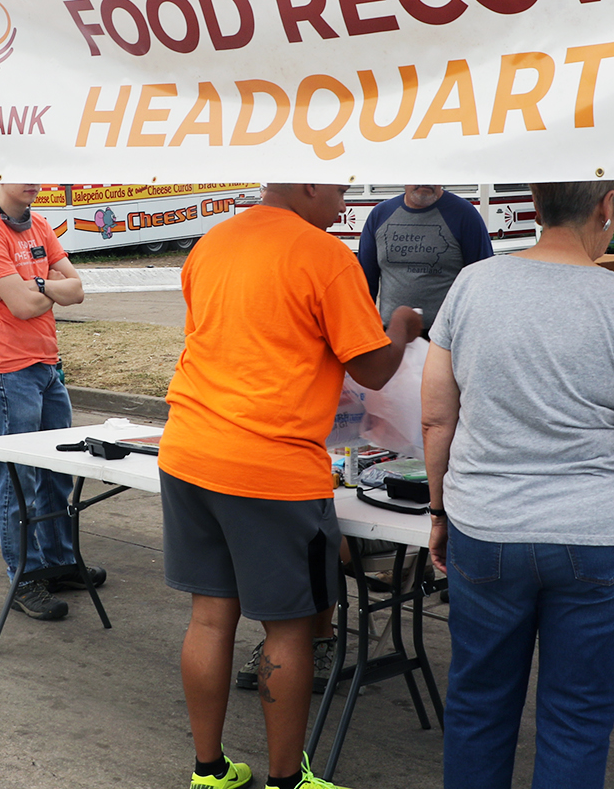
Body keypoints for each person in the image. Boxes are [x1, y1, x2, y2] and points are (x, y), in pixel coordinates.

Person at [158, 183, 422, 789]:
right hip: (272, 470)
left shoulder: (212, 242)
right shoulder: (326, 256)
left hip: (190, 451)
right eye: (340, 185)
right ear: (307, 184)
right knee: (290, 628)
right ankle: (286, 780)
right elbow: (372, 365)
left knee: (209, 618)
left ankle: (209, 770)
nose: (347, 195)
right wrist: (401, 329)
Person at [423, 179, 614, 789]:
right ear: (606, 209)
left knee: (479, 706)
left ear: (535, 208)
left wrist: (439, 512)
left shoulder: (472, 285)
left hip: (485, 528)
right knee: (577, 718)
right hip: (595, 538)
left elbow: (436, 417)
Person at [0, 182, 100, 622]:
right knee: (18, 479)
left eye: (38, 174)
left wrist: (36, 282)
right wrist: (47, 286)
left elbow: (77, 289)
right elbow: (21, 306)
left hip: (46, 365)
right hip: (8, 371)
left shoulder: (39, 224)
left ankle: (58, 563)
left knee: (59, 472)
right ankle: (25, 577)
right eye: (23, 173)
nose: (33, 183)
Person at [357, 184, 493, 334]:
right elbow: (364, 284)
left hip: (447, 338)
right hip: (392, 339)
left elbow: (483, 281)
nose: (425, 181)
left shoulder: (465, 215)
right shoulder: (380, 215)